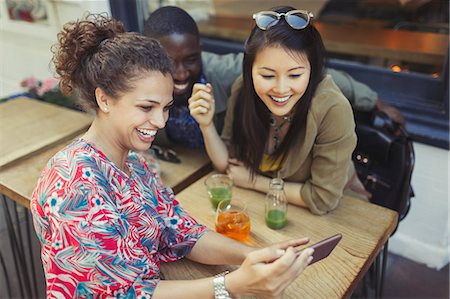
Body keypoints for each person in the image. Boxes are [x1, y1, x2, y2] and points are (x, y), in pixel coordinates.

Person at [30, 14, 314, 298]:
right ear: (104, 99)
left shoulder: (133, 165)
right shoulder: (74, 187)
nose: (160, 121)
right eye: (146, 107)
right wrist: (232, 285)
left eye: (165, 107)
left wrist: (256, 255)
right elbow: (127, 293)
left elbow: (181, 231)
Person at [189, 6, 370, 215]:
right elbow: (229, 166)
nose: (281, 89)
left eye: (294, 76)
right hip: (272, 211)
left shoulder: (332, 108)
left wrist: (254, 182)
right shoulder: (243, 90)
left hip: (342, 216)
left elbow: (323, 199)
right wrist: (206, 124)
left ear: (312, 70)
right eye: (267, 76)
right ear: (250, 70)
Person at [143, 6, 405, 148]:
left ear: (201, 50)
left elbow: (319, 75)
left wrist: (375, 102)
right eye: (168, 62)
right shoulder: (141, 81)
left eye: (190, 59)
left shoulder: (223, 73)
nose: (180, 73)